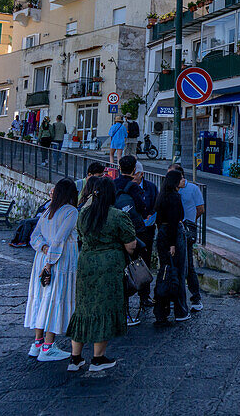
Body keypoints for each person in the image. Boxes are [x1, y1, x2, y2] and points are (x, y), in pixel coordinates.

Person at [65, 176, 137, 373]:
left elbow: (80, 235)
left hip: (86, 263)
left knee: (84, 308)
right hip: (109, 267)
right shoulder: (117, 216)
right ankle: (98, 359)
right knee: (105, 308)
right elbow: (131, 245)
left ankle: (75, 358)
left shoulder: (84, 214)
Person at [25, 179, 79, 362]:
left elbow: (35, 236)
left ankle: (38, 342)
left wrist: (44, 250)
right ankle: (48, 345)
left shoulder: (48, 211)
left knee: (41, 298)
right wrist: (50, 262)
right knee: (54, 299)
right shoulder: (71, 212)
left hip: (42, 258)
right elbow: (60, 239)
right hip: (60, 261)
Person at [116, 155, 155, 311]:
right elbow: (142, 208)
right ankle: (144, 297)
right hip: (136, 232)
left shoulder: (113, 184)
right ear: (134, 170)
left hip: (117, 231)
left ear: (119, 168)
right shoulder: (134, 188)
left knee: (120, 266)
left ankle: (121, 301)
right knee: (141, 264)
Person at [153, 169, 189, 326]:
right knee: (178, 273)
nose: (183, 181)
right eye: (181, 179)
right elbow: (174, 222)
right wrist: (173, 243)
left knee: (165, 271)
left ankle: (161, 309)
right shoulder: (174, 198)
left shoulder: (161, 196)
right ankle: (180, 310)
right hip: (172, 236)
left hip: (162, 234)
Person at [176, 166, 205, 312]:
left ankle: (195, 297)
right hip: (174, 231)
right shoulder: (169, 191)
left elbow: (200, 209)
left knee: (188, 266)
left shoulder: (192, 189)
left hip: (187, 231)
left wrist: (191, 223)